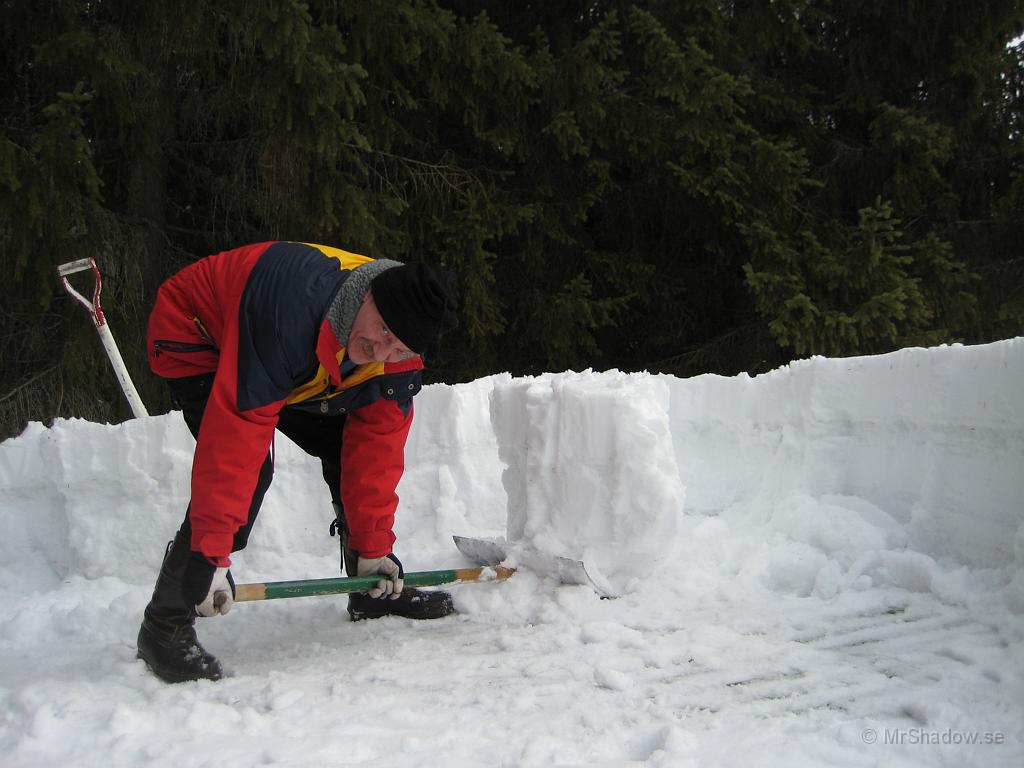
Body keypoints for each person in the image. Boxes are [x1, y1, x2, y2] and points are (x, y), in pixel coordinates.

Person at [136, 240, 459, 683]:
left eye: (399, 349)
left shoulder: (395, 355)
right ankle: (165, 624)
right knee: (253, 470)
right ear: (367, 297)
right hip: (200, 331)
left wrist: (373, 551)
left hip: (309, 361)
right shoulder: (285, 311)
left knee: (347, 440)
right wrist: (210, 557)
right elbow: (236, 440)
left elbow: (376, 452)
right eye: (383, 330)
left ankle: (368, 593)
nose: (383, 353)